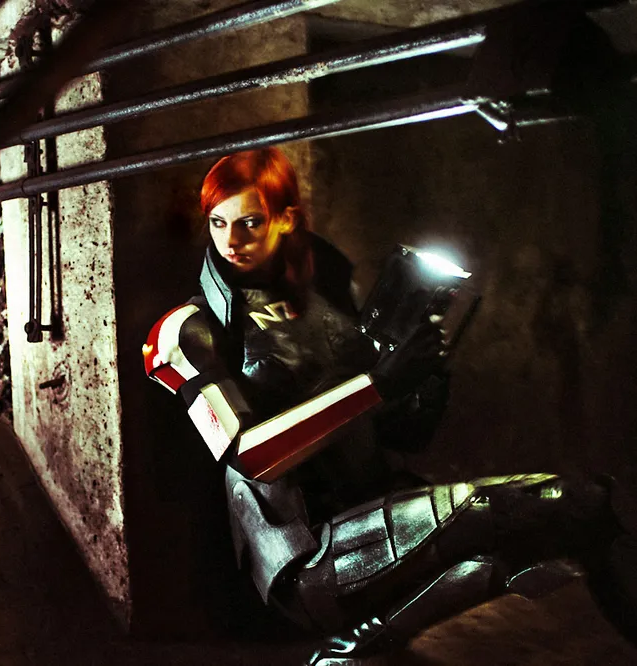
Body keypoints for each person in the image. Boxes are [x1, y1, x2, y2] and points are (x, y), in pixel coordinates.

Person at [142, 147, 637, 664]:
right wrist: (378, 382)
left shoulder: (322, 307)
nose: (231, 240)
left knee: (580, 505)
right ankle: (352, 647)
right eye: (218, 223)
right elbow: (250, 456)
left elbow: (403, 435)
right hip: (306, 559)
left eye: (249, 222)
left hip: (380, 518)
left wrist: (427, 375)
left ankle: (353, 650)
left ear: (286, 219)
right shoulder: (186, 329)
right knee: (544, 503)